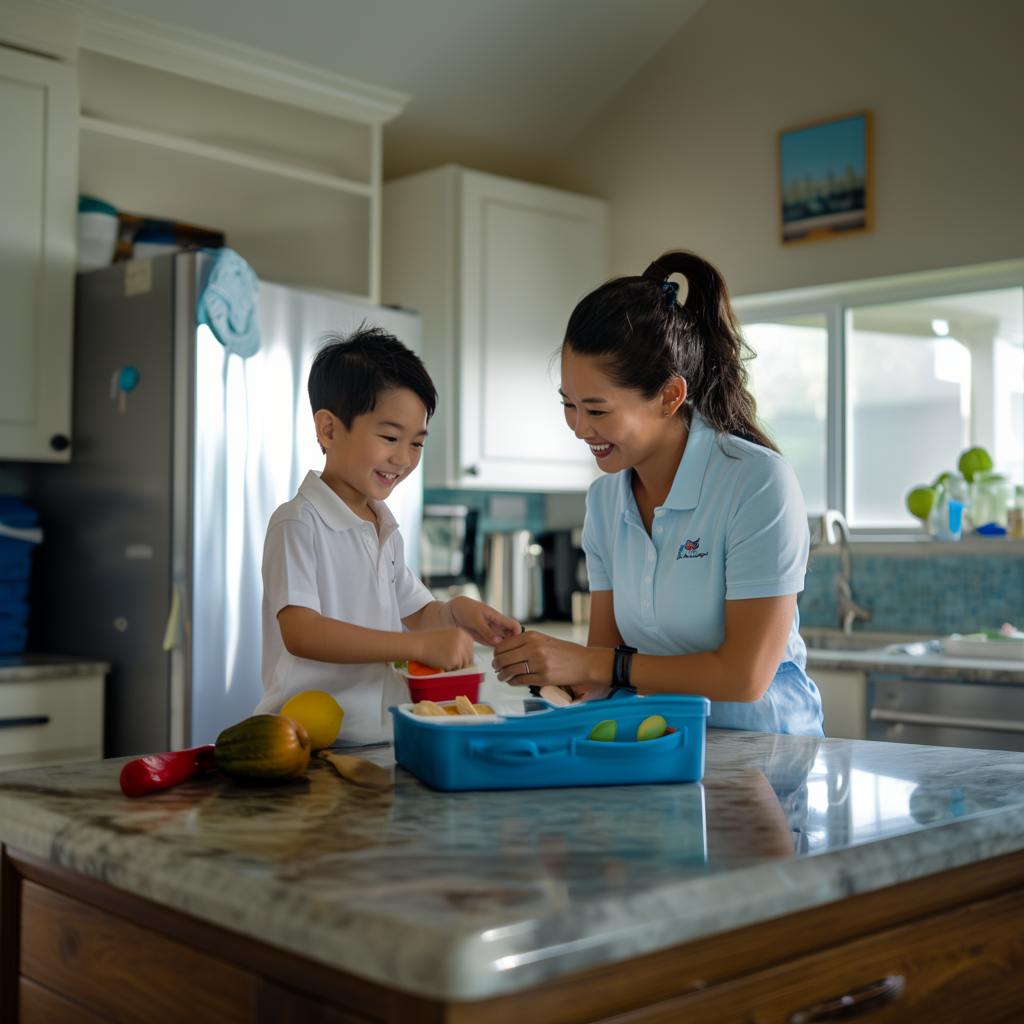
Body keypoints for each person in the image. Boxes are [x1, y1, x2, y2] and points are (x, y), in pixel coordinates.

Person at [492, 251, 823, 737]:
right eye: (568, 405)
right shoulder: (605, 501)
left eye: (598, 410)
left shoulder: (756, 483)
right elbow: (599, 674)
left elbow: (744, 677)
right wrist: (548, 672)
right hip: (661, 743)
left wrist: (596, 665)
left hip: (766, 752)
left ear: (670, 396)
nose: (580, 428)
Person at [256, 327, 520, 745]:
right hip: (308, 740)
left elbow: (416, 614)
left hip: (380, 734)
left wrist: (458, 613)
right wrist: (417, 648)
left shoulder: (383, 525)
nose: (403, 458)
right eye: (390, 437)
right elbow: (302, 632)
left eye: (416, 442)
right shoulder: (299, 522)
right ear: (328, 430)